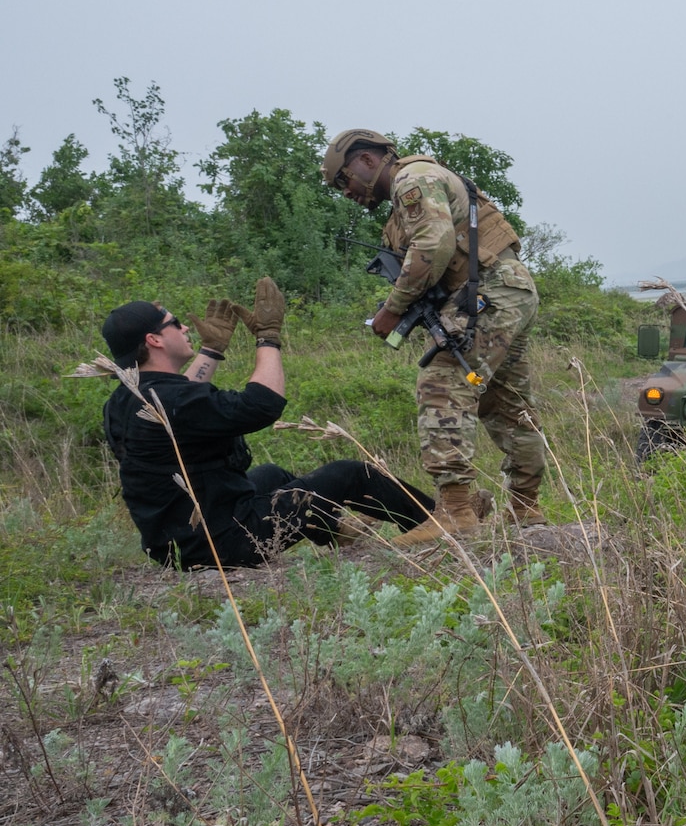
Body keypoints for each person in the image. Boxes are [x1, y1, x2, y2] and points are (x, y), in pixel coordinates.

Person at [101, 283, 436, 569]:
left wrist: (212, 351)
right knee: (350, 474)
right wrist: (268, 338)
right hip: (226, 544)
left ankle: (337, 531)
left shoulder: (125, 400)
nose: (185, 327)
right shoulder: (174, 400)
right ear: (154, 340)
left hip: (177, 546)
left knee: (272, 475)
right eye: (173, 323)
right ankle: (434, 522)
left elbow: (176, 402)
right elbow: (263, 404)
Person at [321, 129, 545, 544]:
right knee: (505, 401)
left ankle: (456, 510)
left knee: (442, 383)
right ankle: (526, 510)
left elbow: (434, 243)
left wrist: (392, 309)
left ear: (367, 161)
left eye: (343, 179)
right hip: (506, 291)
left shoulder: (413, 181)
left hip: (489, 293)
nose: (345, 191)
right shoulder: (413, 192)